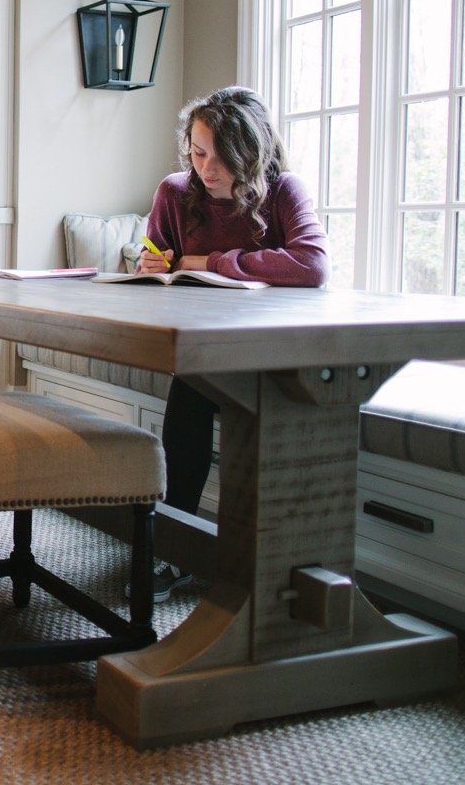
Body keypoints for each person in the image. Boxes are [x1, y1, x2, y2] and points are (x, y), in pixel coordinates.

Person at [138, 86, 329, 601]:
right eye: (198, 153)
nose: (207, 169)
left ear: (254, 154)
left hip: (275, 349)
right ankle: (175, 550)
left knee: (228, 399)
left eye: (222, 159)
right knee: (190, 392)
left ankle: (263, 564)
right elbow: (157, 258)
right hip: (205, 346)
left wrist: (213, 260)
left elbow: (312, 265)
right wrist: (150, 264)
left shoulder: (284, 190)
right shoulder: (175, 192)